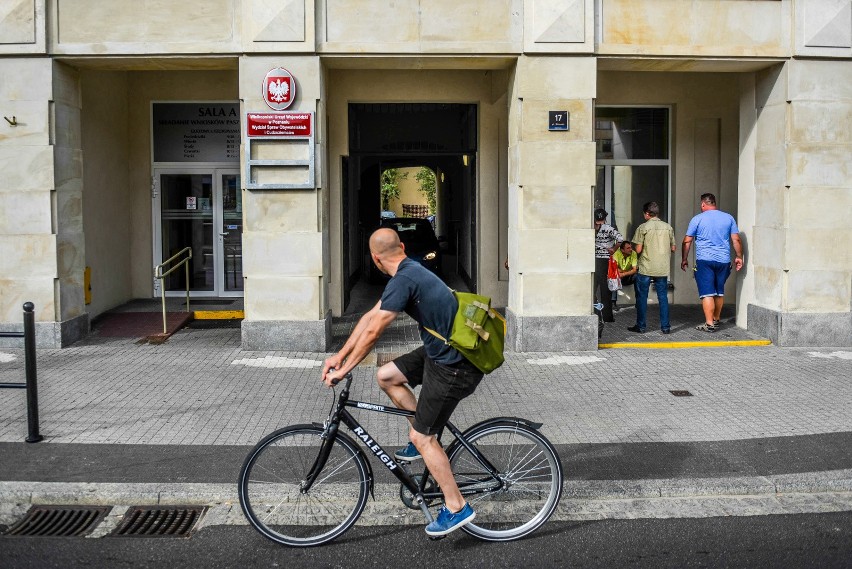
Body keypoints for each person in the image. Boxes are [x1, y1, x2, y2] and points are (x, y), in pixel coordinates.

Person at [322, 228, 483, 537]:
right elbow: (370, 318)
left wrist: (343, 371)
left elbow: (374, 333)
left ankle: (456, 507)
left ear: (375, 258)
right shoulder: (408, 271)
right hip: (441, 354)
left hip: (455, 365)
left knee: (424, 438)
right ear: (403, 247)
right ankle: (421, 432)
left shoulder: (406, 278)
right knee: (386, 375)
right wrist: (339, 356)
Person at [680, 193, 743, 332]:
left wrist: (684, 259)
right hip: (724, 261)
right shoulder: (728, 218)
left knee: (707, 293)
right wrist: (739, 256)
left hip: (705, 261)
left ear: (703, 204)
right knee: (719, 292)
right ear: (714, 203)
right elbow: (736, 240)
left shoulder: (697, 219)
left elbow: (687, 241)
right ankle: (716, 319)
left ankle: (709, 324)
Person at [628, 201, 675, 334]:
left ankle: (641, 326)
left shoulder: (643, 227)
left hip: (646, 267)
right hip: (662, 267)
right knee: (663, 297)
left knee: (642, 297)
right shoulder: (668, 227)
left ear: (647, 213)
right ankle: (665, 327)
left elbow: (637, 250)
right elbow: (673, 247)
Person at [593, 208, 623, 322]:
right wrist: (613, 249)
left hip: (595, 260)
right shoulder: (608, 228)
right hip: (605, 260)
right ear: (604, 218)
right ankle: (607, 316)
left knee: (593, 288)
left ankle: (595, 312)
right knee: (605, 290)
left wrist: (613, 249)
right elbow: (620, 238)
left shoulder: (591, 228)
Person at [611, 240, 638, 310]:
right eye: (628, 248)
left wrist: (624, 273)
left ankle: (639, 302)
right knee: (613, 275)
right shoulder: (616, 253)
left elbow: (634, 270)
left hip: (628, 276)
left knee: (638, 277)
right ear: (622, 250)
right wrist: (626, 271)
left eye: (631, 247)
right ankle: (613, 303)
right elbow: (614, 268)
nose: (631, 249)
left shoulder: (633, 253)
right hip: (620, 276)